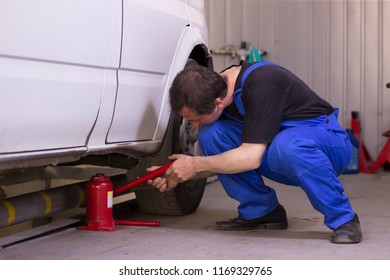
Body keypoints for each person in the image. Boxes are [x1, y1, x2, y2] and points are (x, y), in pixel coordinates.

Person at [147, 60, 363, 244]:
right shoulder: (214, 90)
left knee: (288, 144)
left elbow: (250, 157)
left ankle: (344, 219)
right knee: (212, 134)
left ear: (217, 104)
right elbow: (224, 161)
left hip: (328, 144)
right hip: (278, 147)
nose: (193, 125)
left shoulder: (263, 82)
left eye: (196, 118)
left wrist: (194, 165)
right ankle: (263, 212)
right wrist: (179, 173)